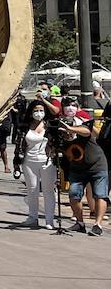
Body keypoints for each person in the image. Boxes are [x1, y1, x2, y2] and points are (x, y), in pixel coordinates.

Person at [58, 101, 108, 236]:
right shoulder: (61, 139)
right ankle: (80, 223)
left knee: (100, 195)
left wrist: (71, 128)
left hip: (97, 166)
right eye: (63, 132)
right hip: (78, 169)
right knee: (74, 195)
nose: (66, 135)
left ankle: (98, 225)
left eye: (66, 131)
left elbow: (86, 131)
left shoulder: (81, 128)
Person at [13, 99, 56, 229]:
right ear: (31, 112)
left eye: (41, 110)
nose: (38, 113)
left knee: (48, 191)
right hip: (29, 162)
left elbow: (57, 112)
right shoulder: (24, 127)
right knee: (32, 190)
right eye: (36, 110)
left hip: (47, 161)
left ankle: (49, 220)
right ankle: (32, 217)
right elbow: (18, 146)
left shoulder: (50, 126)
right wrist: (16, 163)